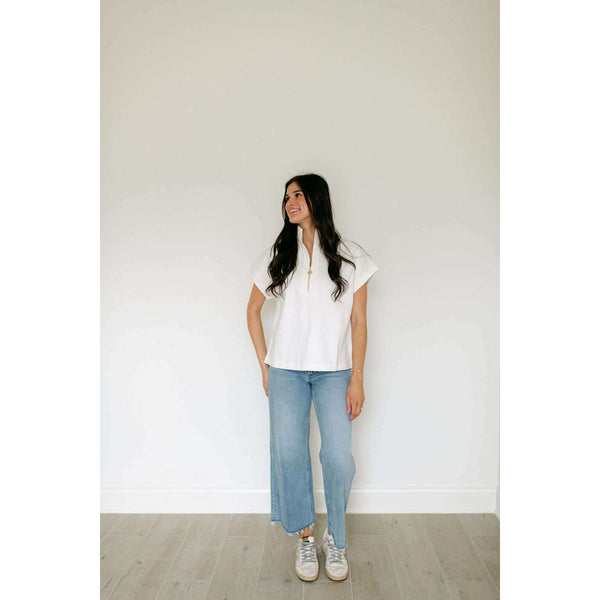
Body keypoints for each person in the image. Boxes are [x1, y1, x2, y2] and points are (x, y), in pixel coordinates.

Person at [246, 173, 378, 582]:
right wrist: (265, 364)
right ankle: (305, 536)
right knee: (289, 453)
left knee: (338, 457)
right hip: (285, 371)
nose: (290, 202)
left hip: (335, 372)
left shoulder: (351, 257)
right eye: (287, 196)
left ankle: (335, 538)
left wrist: (357, 378)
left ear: (317, 198)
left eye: (298, 194)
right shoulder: (278, 255)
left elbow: (359, 322)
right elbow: (252, 311)